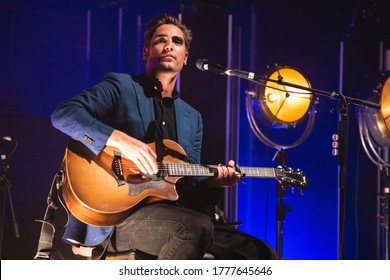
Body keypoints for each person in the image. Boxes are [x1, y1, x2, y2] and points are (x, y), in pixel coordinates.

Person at [51, 13, 241, 260]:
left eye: (177, 41)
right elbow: (64, 114)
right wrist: (119, 139)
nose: (169, 45)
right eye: (160, 40)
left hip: (169, 215)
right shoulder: (120, 87)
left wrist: (214, 184)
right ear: (145, 52)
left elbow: (188, 188)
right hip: (114, 215)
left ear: (185, 58)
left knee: (255, 251)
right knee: (196, 226)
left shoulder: (192, 118)